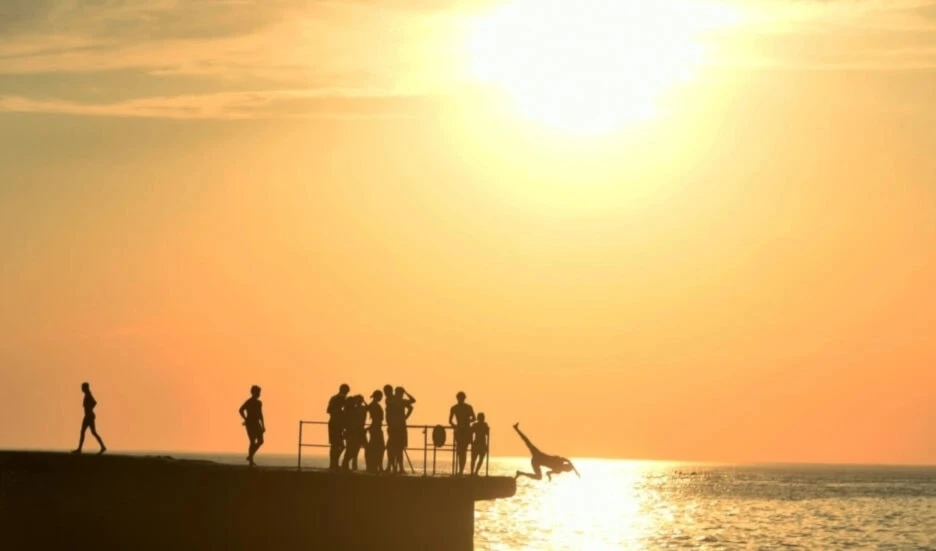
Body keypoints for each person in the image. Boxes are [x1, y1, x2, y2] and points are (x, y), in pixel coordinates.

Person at [513, 422, 579, 481]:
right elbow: (569, 462)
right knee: (527, 442)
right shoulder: (560, 461)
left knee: (539, 477)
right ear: (565, 466)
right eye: (566, 468)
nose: (564, 469)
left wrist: (549, 477)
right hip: (538, 455)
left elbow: (547, 472)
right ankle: (516, 428)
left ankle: (521, 473)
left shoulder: (558, 470)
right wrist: (576, 472)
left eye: (566, 470)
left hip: (537, 461)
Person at [385, 386, 416, 474]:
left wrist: (405, 417)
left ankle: (396, 467)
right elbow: (413, 401)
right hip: (398, 427)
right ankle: (397, 468)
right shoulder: (398, 401)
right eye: (401, 393)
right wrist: (405, 417)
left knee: (396, 448)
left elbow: (412, 406)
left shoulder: (394, 401)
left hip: (396, 427)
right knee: (397, 448)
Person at [72, 382, 106, 455]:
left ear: (85, 388)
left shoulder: (88, 394)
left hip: (89, 416)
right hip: (89, 415)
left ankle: (79, 449)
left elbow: (94, 402)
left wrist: (90, 409)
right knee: (92, 432)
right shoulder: (87, 394)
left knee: (83, 432)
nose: (81, 388)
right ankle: (102, 446)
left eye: (82, 387)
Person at [449, 391, 475, 475]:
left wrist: (467, 422)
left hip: (466, 430)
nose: (461, 399)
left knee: (463, 451)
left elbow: (474, 418)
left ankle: (460, 470)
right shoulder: (454, 408)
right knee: (460, 451)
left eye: (462, 398)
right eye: (460, 398)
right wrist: (455, 426)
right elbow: (450, 421)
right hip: (460, 430)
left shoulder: (468, 407)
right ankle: (460, 470)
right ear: (458, 398)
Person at [238, 385, 265, 467]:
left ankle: (250, 456)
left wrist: (263, 425)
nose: (259, 394)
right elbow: (240, 410)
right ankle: (251, 461)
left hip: (257, 423)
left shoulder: (259, 403)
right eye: (258, 392)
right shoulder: (249, 402)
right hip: (250, 424)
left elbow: (260, 414)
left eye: (259, 392)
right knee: (252, 442)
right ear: (254, 393)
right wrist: (245, 418)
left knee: (261, 441)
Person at [327, 383, 350, 470]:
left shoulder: (333, 398)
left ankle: (333, 464)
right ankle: (334, 463)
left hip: (333, 422)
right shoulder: (341, 398)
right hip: (337, 424)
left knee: (334, 445)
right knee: (340, 445)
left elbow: (328, 410)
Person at [341, 395, 367, 471]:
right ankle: (346, 464)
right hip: (354, 432)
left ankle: (348, 465)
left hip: (356, 432)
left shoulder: (356, 409)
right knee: (352, 449)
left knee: (353, 449)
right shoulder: (354, 410)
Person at [364, 390, 385, 474]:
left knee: (375, 447)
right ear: (377, 396)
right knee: (380, 448)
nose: (381, 398)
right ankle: (378, 466)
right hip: (376, 428)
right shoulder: (375, 406)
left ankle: (374, 466)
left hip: (375, 428)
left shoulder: (372, 405)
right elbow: (376, 419)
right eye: (380, 396)